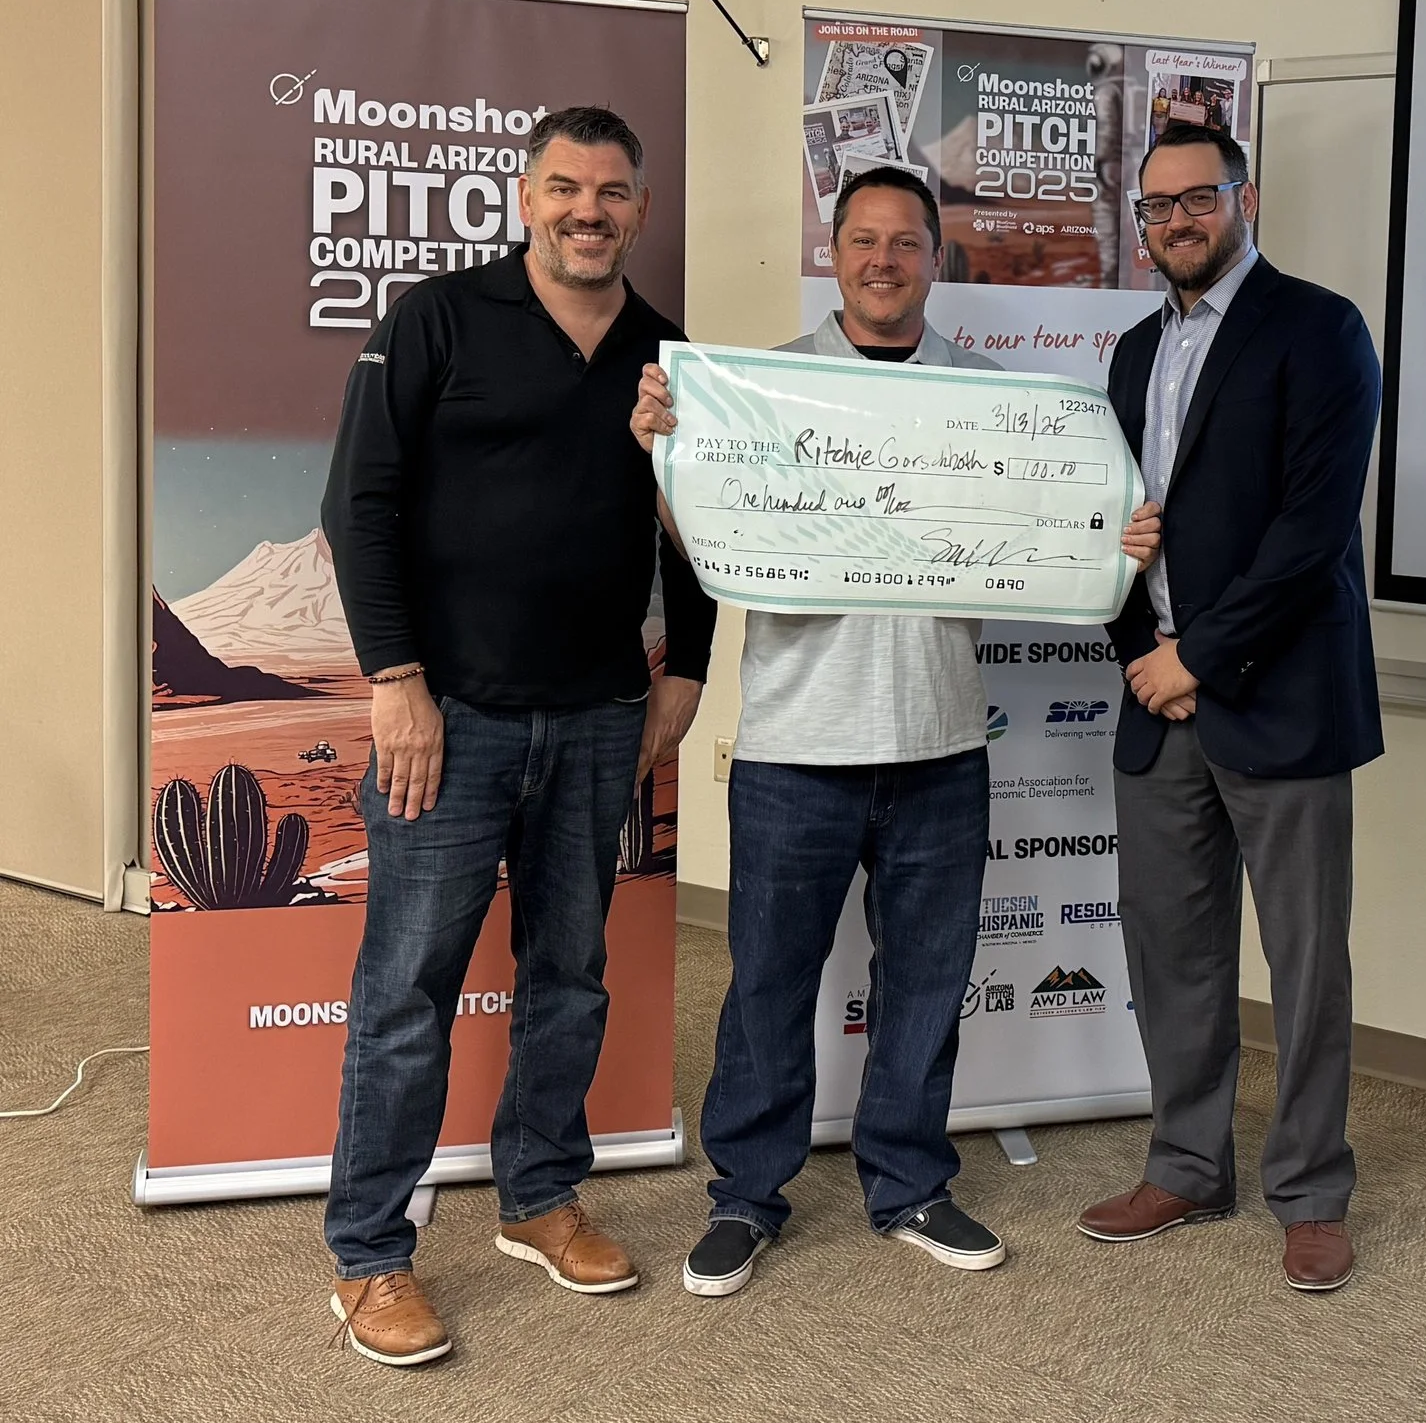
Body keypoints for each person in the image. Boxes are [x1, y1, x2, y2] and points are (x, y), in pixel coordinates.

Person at [628, 166, 1160, 1296]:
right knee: (769, 982)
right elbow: (711, 541)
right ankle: (745, 1196)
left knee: (927, 981)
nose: (883, 260)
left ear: (935, 259)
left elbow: (1060, 538)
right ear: (835, 252)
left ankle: (910, 1181)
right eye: (862, 240)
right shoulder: (760, 390)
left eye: (906, 242)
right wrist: (665, 460)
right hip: (792, 748)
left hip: (940, 746)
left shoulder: (987, 399)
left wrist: (1115, 540)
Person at [320, 106, 715, 1368]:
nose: (587, 210)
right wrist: (396, 678)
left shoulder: (671, 356)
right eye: (564, 187)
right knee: (405, 993)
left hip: (602, 711)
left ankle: (538, 1195)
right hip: (451, 719)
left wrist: (688, 667)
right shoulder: (439, 320)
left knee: (569, 975)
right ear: (525, 196)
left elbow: (705, 522)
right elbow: (358, 503)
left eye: (611, 191)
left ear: (639, 211)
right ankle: (371, 1255)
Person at [1075, 120, 1383, 1296]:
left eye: (1196, 199)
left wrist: (1194, 656)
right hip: (1156, 701)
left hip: (1278, 702)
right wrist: (1135, 646)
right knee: (1172, 956)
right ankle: (1189, 1165)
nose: (1175, 223)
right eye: (1155, 209)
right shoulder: (1130, 354)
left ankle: (1311, 1190)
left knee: (1305, 966)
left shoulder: (1320, 329)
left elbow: (1309, 536)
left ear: (1243, 198)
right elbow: (1117, 521)